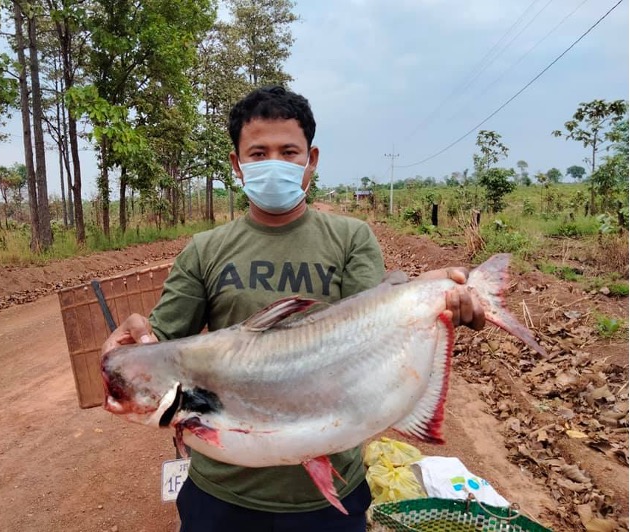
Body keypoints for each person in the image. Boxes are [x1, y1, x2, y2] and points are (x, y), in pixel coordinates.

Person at [102, 85, 485, 531]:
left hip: (329, 492)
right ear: (237, 164)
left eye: (289, 151)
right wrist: (134, 337)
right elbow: (162, 349)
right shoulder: (205, 251)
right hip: (222, 493)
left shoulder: (350, 238)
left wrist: (432, 299)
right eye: (259, 153)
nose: (275, 163)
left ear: (311, 160)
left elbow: (377, 324)